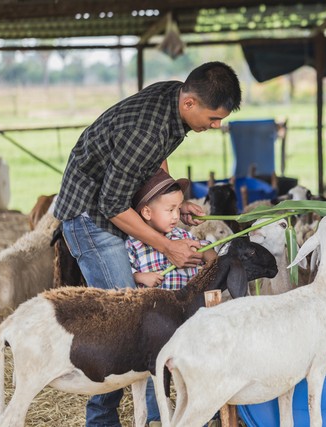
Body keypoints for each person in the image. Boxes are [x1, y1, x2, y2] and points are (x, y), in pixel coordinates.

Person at [54, 61, 241, 427]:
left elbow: (154, 158)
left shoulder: (173, 100)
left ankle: (157, 413)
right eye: (214, 118)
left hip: (114, 205)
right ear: (189, 103)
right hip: (91, 217)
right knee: (124, 322)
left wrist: (167, 200)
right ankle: (102, 421)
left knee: (142, 320)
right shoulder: (147, 128)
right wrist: (168, 245)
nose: (217, 126)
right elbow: (111, 204)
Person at [126, 168, 217, 424]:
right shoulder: (133, 243)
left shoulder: (183, 236)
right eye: (170, 210)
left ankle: (196, 412)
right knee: (156, 371)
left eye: (179, 209)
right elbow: (126, 274)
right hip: (155, 324)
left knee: (190, 366)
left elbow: (210, 259)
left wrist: (207, 250)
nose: (177, 216)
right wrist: (141, 278)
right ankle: (157, 416)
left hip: (185, 319)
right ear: (146, 212)